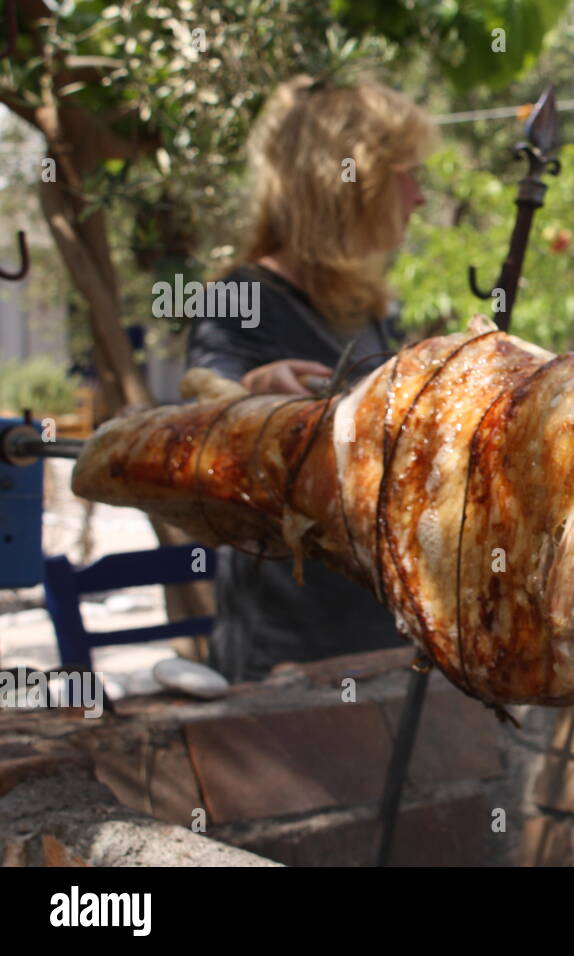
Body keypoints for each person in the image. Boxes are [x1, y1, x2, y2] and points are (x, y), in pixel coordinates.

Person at [186, 75, 435, 682]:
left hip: (381, 631)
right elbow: (196, 421)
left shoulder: (371, 311)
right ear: (351, 181)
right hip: (290, 652)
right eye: (407, 171)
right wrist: (251, 395)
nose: (420, 195)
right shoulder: (244, 295)